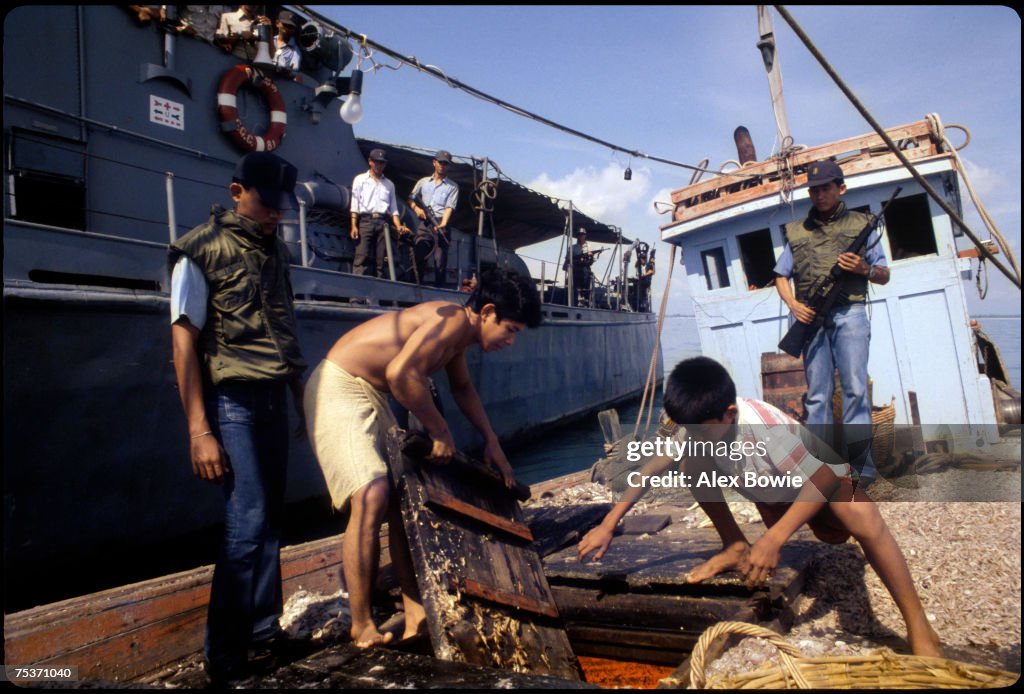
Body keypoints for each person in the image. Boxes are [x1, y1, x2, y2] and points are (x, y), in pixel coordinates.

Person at [578, 357, 942, 657]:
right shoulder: (698, 427)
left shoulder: (764, 427)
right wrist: (609, 523)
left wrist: (774, 540)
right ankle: (734, 544)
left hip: (819, 487)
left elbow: (825, 479)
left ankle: (919, 626)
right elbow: (650, 469)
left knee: (858, 515)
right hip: (774, 498)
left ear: (731, 414)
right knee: (690, 463)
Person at [303, 269, 542, 649]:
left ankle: (415, 613)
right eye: (510, 329)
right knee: (371, 495)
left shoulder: (459, 336)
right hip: (341, 384)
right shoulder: (445, 324)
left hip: (371, 394)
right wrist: (440, 432)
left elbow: (462, 389)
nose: (511, 340)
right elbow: (401, 375)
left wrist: (492, 441)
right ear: (487, 312)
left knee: (401, 504)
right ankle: (362, 625)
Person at [169, 152, 307, 684]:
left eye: (280, 207)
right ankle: (223, 655)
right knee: (245, 525)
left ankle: (264, 632)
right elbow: (183, 340)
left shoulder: (277, 251)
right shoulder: (200, 251)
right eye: (266, 204)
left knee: (271, 519)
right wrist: (198, 430)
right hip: (233, 405)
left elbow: (285, 327)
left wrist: (299, 398)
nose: (275, 214)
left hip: (272, 398)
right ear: (236, 191)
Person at [773, 159, 889, 485]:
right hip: (811, 317)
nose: (820, 194)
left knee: (855, 389)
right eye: (814, 189)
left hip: (850, 313)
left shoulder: (863, 225)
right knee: (818, 396)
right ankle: (818, 470)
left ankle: (862, 470)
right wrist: (793, 304)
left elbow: (883, 274)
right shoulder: (797, 232)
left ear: (841, 188)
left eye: (826, 187)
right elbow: (781, 276)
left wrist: (863, 269)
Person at [350, 148, 410, 278]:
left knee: (381, 261)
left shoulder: (389, 184)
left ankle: (378, 294)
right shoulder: (360, 180)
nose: (379, 165)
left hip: (383, 224)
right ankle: (356, 297)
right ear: (370, 162)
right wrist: (354, 225)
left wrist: (398, 226)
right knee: (361, 257)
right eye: (376, 162)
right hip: (365, 221)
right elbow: (354, 204)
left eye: (382, 162)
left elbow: (393, 209)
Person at [408, 150, 459, 287]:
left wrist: (443, 223)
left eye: (446, 164)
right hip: (425, 225)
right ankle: (413, 291)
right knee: (418, 257)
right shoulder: (423, 182)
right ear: (434, 163)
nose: (443, 165)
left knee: (439, 263)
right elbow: (411, 199)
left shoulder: (453, 187)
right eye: (440, 162)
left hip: (441, 224)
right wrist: (417, 209)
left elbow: (449, 207)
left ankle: (438, 295)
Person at [566, 229, 594, 306]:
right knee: (574, 288)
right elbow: (568, 259)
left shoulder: (589, 247)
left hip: (585, 269)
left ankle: (585, 301)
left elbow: (591, 261)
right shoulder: (572, 247)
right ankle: (574, 302)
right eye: (579, 234)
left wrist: (590, 257)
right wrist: (577, 260)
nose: (581, 236)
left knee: (585, 288)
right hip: (576, 270)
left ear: (585, 236)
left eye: (582, 234)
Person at [636, 246, 655, 312]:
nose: (642, 260)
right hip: (641, 281)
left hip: (646, 281)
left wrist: (644, 275)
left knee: (642, 289)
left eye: (643, 258)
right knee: (638, 288)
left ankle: (643, 304)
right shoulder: (639, 265)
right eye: (641, 259)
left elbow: (652, 271)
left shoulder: (649, 264)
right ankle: (639, 303)